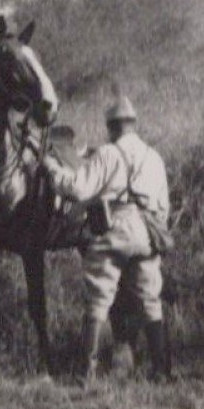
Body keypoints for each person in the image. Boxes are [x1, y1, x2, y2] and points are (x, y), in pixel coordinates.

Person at [41, 96, 172, 381]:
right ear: (133, 125)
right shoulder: (154, 157)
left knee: (99, 298)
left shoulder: (108, 153)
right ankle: (162, 370)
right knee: (151, 300)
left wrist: (52, 168)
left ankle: (87, 372)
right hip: (148, 229)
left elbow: (77, 188)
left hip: (115, 225)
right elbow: (164, 206)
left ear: (111, 127)